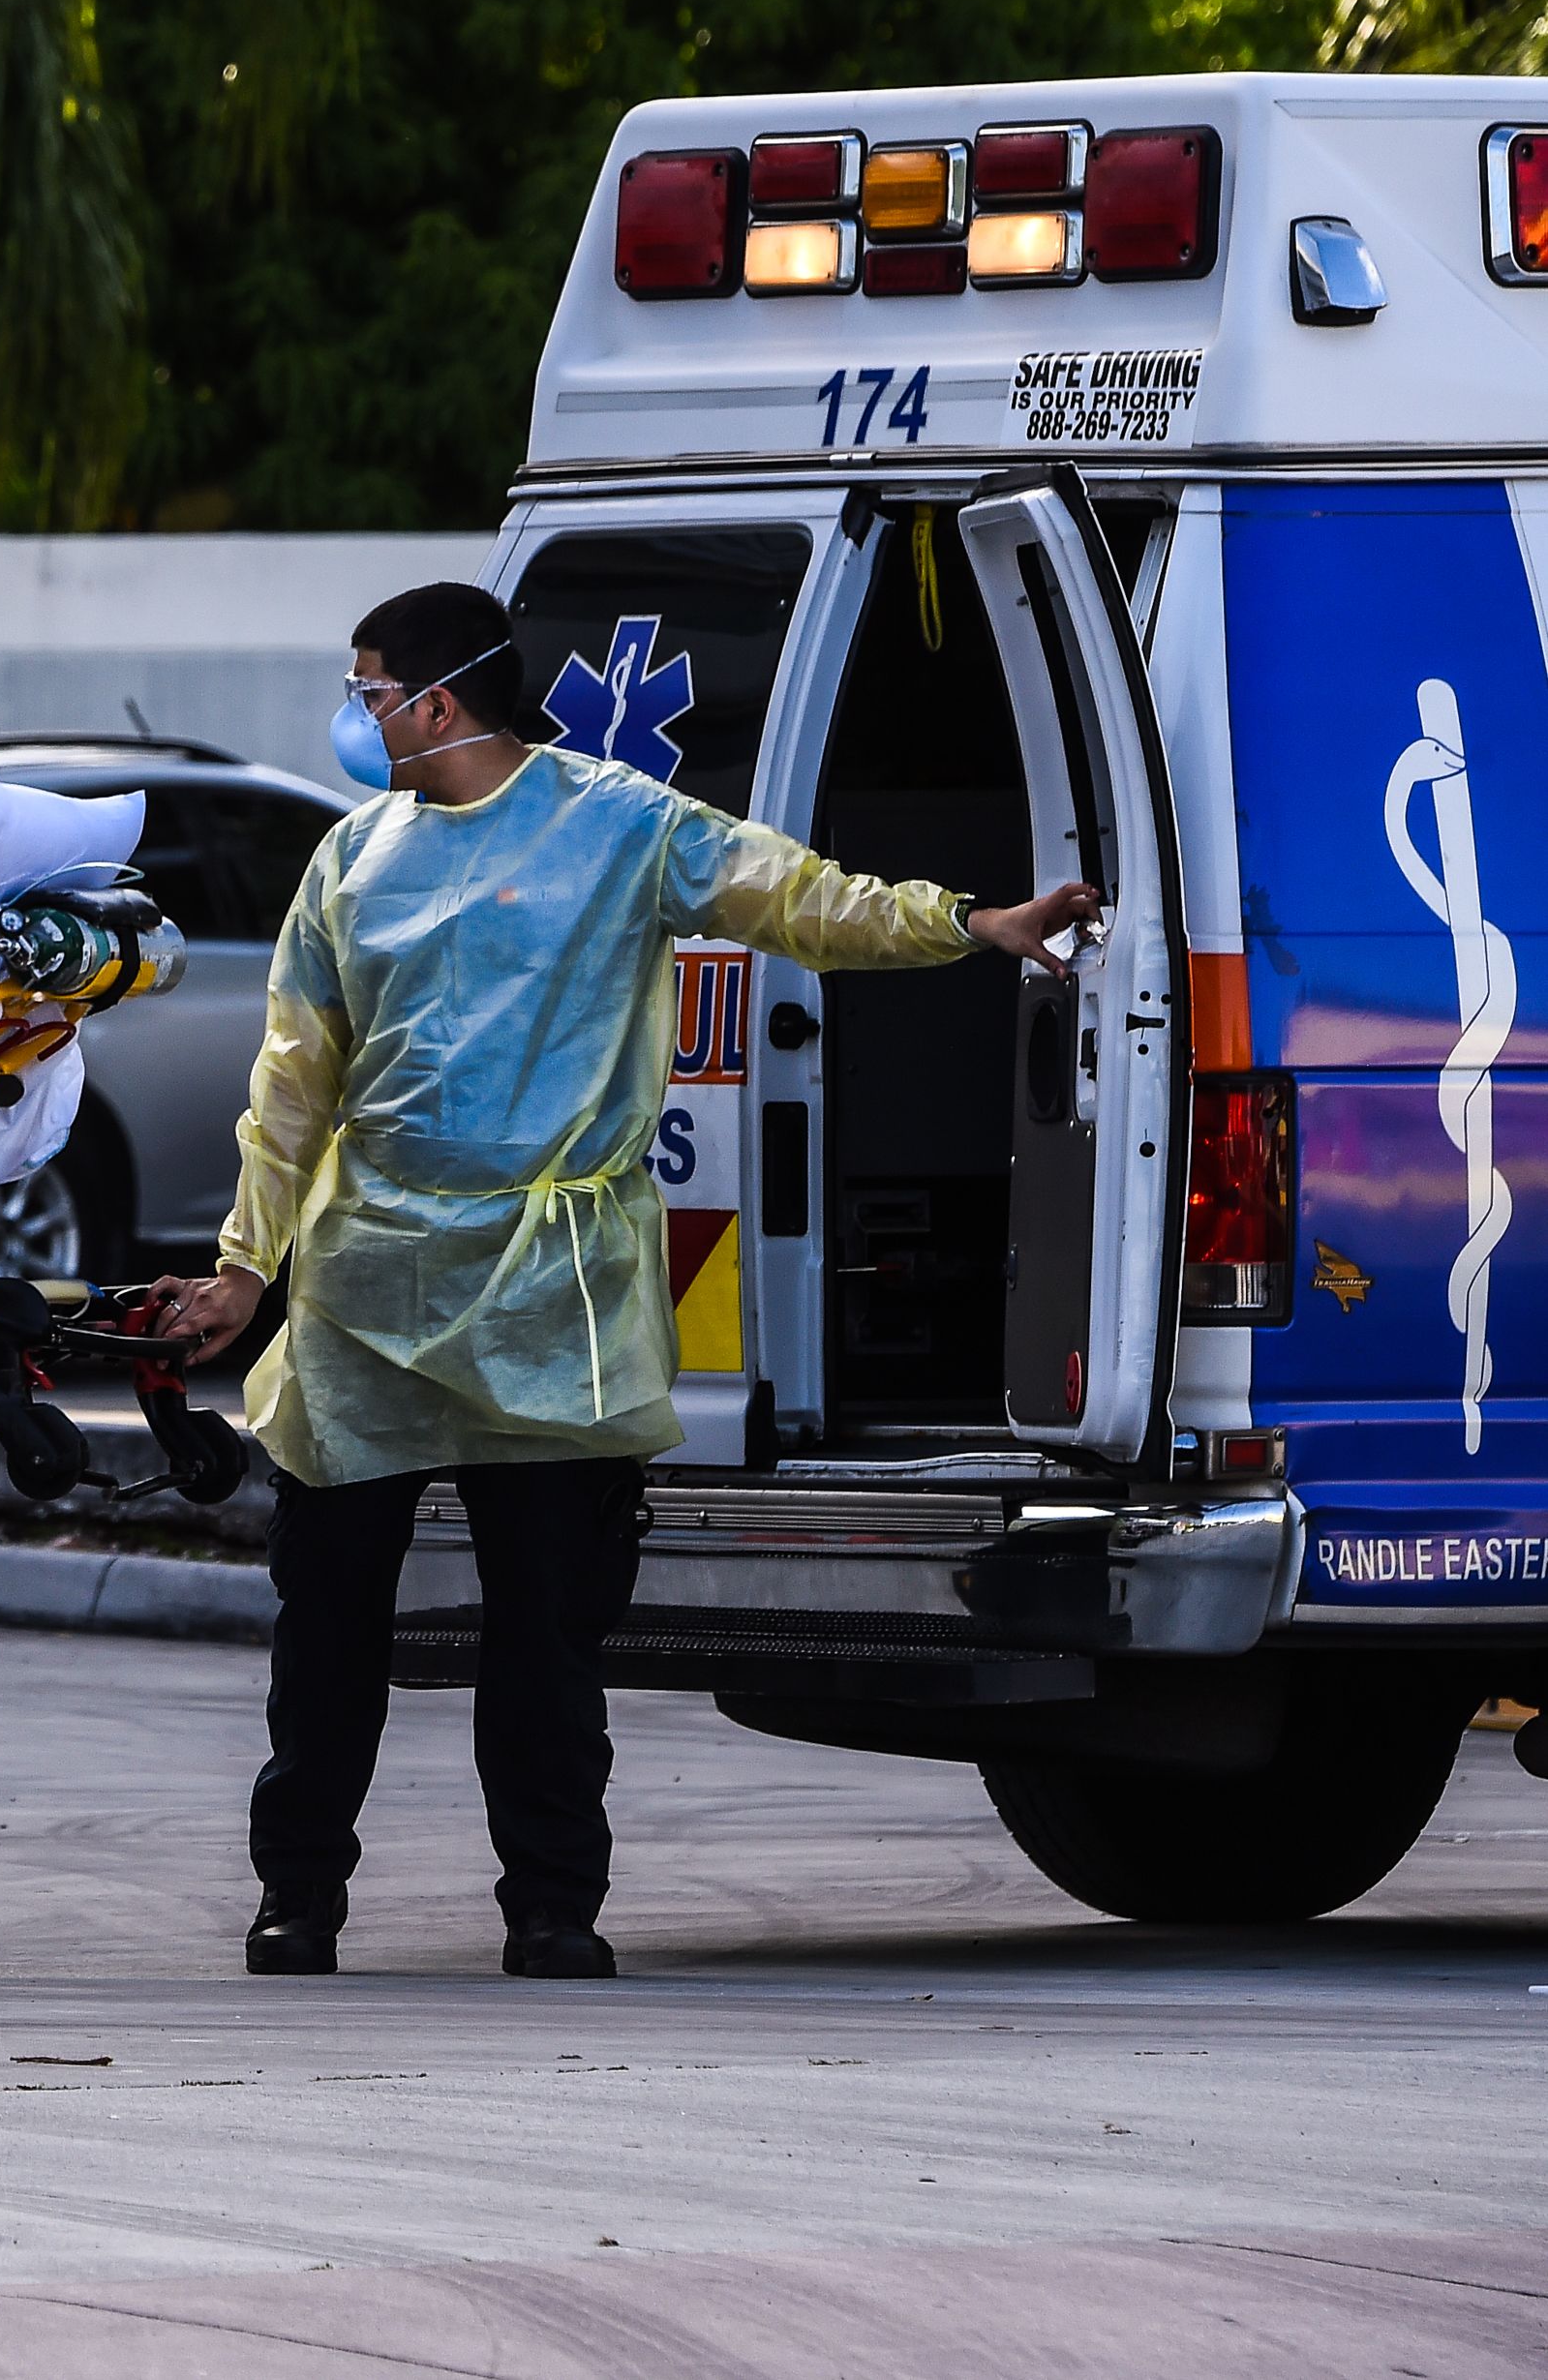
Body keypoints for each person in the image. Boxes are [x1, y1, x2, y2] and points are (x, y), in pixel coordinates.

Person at [147, 584, 1098, 1982]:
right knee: (327, 1630)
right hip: (368, 1297)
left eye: (367, 691)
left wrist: (973, 924)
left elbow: (801, 901)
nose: (357, 717)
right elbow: (293, 1086)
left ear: (438, 697)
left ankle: (551, 1906)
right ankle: (300, 1896)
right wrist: (244, 1268)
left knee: (546, 1635)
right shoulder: (350, 864)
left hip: (552, 1294)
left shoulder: (623, 827)